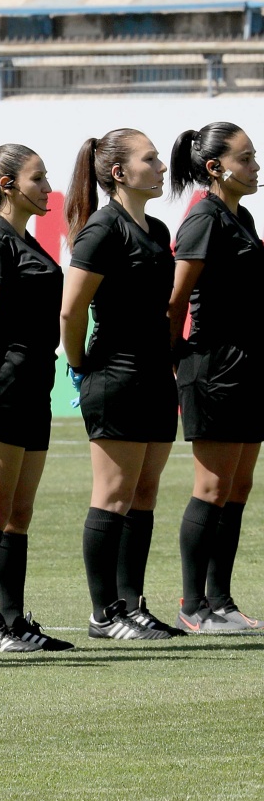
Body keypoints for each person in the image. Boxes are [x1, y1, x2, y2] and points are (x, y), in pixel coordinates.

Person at [61, 128, 182, 641]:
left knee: (145, 494)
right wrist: (80, 362)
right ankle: (104, 613)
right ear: (118, 173)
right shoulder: (102, 230)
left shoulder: (155, 228)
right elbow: (71, 309)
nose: (160, 167)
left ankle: (133, 605)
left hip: (156, 375)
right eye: (149, 159)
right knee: (112, 495)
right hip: (116, 374)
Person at [0, 145, 72, 653]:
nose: (48, 188)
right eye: (38, 178)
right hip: (0, 391)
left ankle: (14, 620)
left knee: (19, 514)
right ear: (8, 185)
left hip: (35, 388)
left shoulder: (28, 241)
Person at [167, 123, 264, 632]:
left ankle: (221, 599)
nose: (255, 166)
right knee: (211, 486)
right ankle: (192, 605)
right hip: (215, 367)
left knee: (238, 486)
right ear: (215, 168)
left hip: (250, 366)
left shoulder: (240, 215)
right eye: (245, 159)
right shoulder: (204, 218)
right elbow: (176, 298)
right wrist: (178, 357)